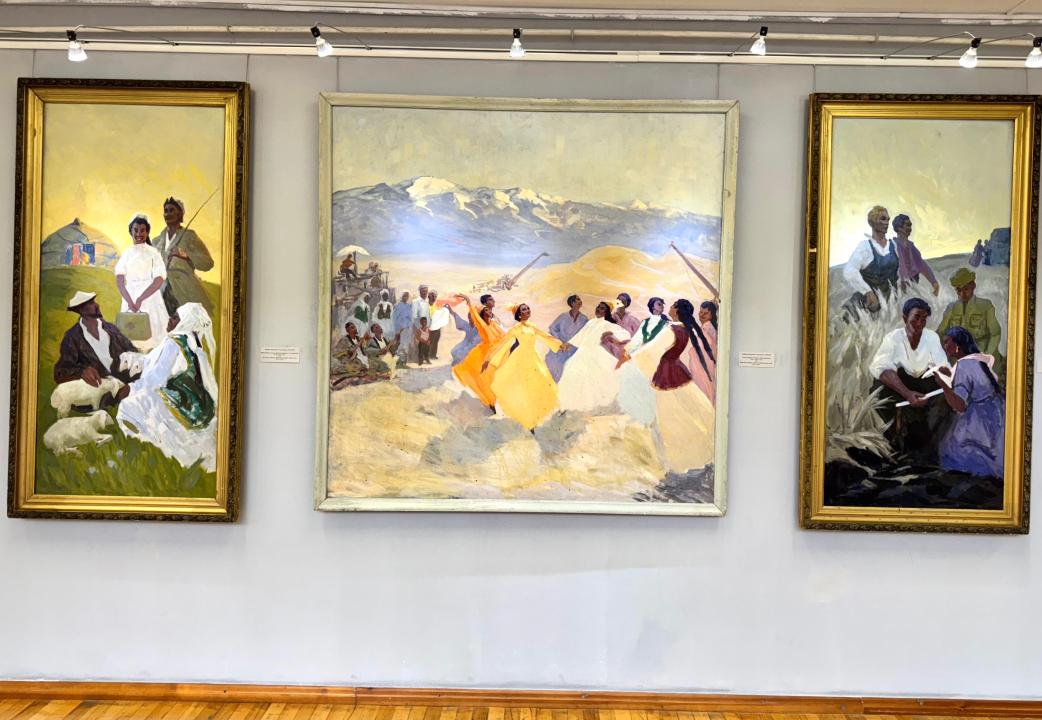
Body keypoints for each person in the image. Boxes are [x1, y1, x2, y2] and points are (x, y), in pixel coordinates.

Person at [116, 303, 218, 472]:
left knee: (127, 407)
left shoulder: (173, 342)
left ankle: (147, 449)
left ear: (185, 321)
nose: (170, 319)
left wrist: (131, 388)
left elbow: (156, 378)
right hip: (198, 406)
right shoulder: (192, 340)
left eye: (176, 317)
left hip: (179, 404)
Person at [868, 297, 951, 463]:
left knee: (945, 399)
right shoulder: (893, 338)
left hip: (924, 385)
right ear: (905, 318)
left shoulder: (931, 337)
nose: (920, 323)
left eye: (924, 319)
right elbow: (882, 369)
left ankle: (928, 446)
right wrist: (907, 394)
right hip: (901, 386)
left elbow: (942, 367)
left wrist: (944, 375)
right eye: (916, 318)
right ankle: (897, 441)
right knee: (877, 391)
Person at [638, 299, 716, 473]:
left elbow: (650, 352)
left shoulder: (670, 330)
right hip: (679, 371)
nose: (670, 307)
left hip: (666, 375)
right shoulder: (684, 329)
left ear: (677, 311)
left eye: (673, 306)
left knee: (669, 419)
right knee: (685, 414)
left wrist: (632, 356)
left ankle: (676, 460)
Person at [481, 303, 571, 431]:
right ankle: (529, 421)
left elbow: (545, 336)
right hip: (520, 359)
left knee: (543, 381)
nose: (527, 310)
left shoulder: (532, 325)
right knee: (525, 389)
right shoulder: (516, 328)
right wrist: (488, 359)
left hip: (533, 357)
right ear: (519, 314)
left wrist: (560, 344)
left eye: (528, 308)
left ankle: (549, 411)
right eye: (524, 309)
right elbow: (502, 343)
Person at [936, 326, 1005, 478]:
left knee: (952, 451)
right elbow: (976, 383)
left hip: (980, 419)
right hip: (997, 413)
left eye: (947, 342)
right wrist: (950, 374)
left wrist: (942, 384)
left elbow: (959, 405)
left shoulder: (964, 365)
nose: (944, 346)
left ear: (957, 345)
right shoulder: (978, 360)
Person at [54, 290, 137, 394]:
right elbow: (60, 371)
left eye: (94, 302)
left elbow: (133, 351)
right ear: (82, 310)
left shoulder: (111, 329)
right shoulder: (72, 336)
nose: (97, 305)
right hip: (102, 389)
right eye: (91, 303)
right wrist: (81, 371)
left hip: (126, 381)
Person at [607, 296, 672, 426]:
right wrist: (628, 351)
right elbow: (637, 339)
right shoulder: (645, 322)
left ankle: (656, 416)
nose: (662, 307)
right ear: (652, 306)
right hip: (643, 357)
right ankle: (640, 414)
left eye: (662, 305)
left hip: (657, 357)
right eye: (659, 304)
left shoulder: (666, 324)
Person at [557, 301, 630, 413]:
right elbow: (581, 335)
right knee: (572, 373)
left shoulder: (606, 324)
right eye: (598, 307)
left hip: (595, 352)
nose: (598, 309)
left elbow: (625, 334)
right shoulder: (591, 322)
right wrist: (568, 344)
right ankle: (570, 405)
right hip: (582, 352)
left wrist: (610, 334)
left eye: (602, 308)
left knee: (594, 378)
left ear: (606, 312)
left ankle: (592, 406)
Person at [936, 268, 1003, 379]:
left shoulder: (985, 306)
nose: (962, 294)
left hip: (982, 354)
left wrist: (986, 356)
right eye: (958, 290)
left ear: (973, 286)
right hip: (958, 358)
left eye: (966, 289)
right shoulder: (951, 308)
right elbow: (940, 332)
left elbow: (995, 334)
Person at [115, 214, 169, 351]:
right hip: (130, 297)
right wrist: (129, 300)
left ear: (147, 232)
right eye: (136, 230)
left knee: (152, 338)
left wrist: (141, 299)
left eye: (142, 230)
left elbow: (158, 280)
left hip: (150, 297)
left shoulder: (153, 253)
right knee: (131, 335)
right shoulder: (127, 253)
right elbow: (120, 281)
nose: (139, 234)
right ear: (131, 231)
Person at [153, 197, 215, 315]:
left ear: (180, 214)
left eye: (172, 210)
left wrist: (186, 255)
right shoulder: (156, 241)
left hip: (185, 291)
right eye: (166, 211)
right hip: (161, 293)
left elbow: (208, 263)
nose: (168, 214)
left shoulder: (189, 236)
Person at [842, 205, 899, 316]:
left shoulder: (893, 245)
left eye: (888, 219)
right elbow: (849, 271)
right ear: (872, 222)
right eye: (883, 219)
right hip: (866, 306)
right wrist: (867, 292)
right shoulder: (865, 247)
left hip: (889, 304)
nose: (887, 223)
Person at [452, 295, 505, 410]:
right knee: (484, 380)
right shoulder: (482, 325)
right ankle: (490, 402)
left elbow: (504, 337)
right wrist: (468, 301)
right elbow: (475, 315)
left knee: (496, 378)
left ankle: (494, 401)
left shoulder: (494, 324)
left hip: (495, 353)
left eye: (489, 311)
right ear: (482, 314)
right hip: (483, 354)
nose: (489, 312)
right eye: (486, 311)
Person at [891, 214, 940, 296]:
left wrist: (934, 282)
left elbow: (922, 265)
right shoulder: (892, 245)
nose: (910, 228)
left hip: (913, 283)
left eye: (910, 225)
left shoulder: (911, 247)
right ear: (899, 228)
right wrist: (902, 280)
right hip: (898, 285)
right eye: (907, 225)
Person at [545, 294, 588, 381]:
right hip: (561, 348)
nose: (580, 301)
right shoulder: (563, 316)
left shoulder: (584, 319)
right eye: (578, 299)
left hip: (574, 349)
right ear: (572, 303)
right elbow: (552, 328)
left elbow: (586, 334)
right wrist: (561, 342)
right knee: (556, 372)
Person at [682, 300, 718, 405]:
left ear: (712, 315)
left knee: (705, 389)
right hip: (707, 364)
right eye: (701, 312)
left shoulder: (707, 327)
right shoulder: (707, 326)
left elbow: (705, 347)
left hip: (705, 365)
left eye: (706, 313)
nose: (702, 315)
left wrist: (692, 351)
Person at [411, 285, 432, 363]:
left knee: (427, 344)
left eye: (426, 291)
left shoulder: (428, 302)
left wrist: (428, 327)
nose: (425, 293)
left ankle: (426, 357)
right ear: (420, 291)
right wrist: (420, 327)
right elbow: (414, 316)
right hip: (419, 327)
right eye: (423, 291)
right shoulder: (415, 302)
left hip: (427, 327)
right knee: (420, 344)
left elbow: (429, 315)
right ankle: (420, 359)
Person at [392, 291, 413, 366]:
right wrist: (397, 329)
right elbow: (394, 318)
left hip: (407, 329)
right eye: (404, 296)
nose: (405, 297)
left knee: (406, 345)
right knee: (399, 345)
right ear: (401, 296)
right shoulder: (397, 306)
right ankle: (398, 361)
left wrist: (407, 325)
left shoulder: (409, 306)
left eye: (407, 296)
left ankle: (404, 361)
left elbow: (411, 318)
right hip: (399, 328)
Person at [427, 290, 449, 360]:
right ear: (428, 296)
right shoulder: (426, 306)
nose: (434, 298)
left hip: (436, 327)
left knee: (435, 341)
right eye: (432, 296)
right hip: (429, 326)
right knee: (429, 341)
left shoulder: (435, 306)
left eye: (435, 296)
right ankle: (427, 355)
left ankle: (433, 355)